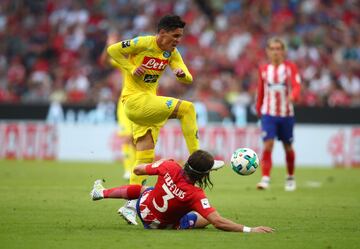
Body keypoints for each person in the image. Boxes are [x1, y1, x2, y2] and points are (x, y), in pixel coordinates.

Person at [107, 15, 224, 224]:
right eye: (175, 35)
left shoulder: (171, 52)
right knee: (187, 109)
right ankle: (198, 159)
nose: (178, 40)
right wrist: (131, 68)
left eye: (180, 36)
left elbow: (188, 77)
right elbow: (112, 50)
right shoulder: (143, 43)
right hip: (134, 101)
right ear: (162, 33)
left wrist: (181, 74)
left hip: (148, 105)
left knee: (144, 156)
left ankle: (128, 207)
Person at [90, 150, 273, 233]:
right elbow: (218, 222)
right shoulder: (196, 195)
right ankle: (185, 220)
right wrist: (250, 229)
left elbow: (137, 170)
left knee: (146, 189)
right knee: (202, 218)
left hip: (143, 209)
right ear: (203, 176)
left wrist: (162, 163)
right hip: (161, 227)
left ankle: (102, 193)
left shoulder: (169, 165)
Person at [255, 37, 301, 191]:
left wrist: (293, 96)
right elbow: (261, 90)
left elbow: (296, 85)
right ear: (268, 51)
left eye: (278, 49)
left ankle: (290, 177)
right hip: (269, 113)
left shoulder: (290, 67)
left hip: (286, 113)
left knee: (288, 146)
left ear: (283, 51)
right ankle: (265, 178)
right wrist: (258, 107)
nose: (275, 52)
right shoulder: (264, 69)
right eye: (272, 49)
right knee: (268, 144)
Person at [99, 31, 135, 180]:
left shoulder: (147, 63)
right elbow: (104, 62)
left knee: (137, 139)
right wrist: (109, 45)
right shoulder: (125, 63)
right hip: (125, 103)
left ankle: (135, 169)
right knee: (126, 137)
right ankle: (129, 170)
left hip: (143, 103)